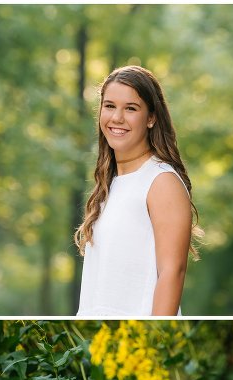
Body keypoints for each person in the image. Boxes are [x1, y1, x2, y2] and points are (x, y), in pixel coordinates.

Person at [75, 65, 202, 317]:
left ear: (151, 118)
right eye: (109, 106)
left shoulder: (161, 181)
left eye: (130, 108)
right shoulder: (109, 185)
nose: (117, 118)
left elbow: (172, 271)